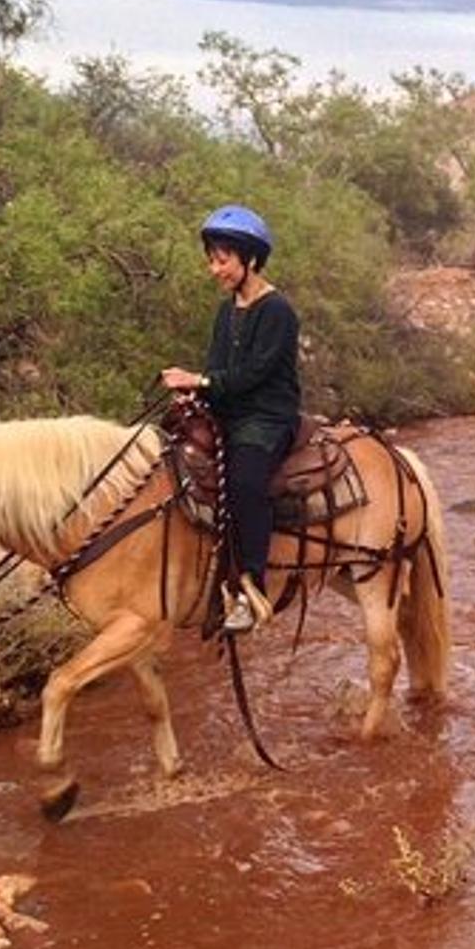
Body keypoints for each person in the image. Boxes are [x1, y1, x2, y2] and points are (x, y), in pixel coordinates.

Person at [160, 205, 301, 634]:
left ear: (250, 259)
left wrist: (200, 381)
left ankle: (250, 590)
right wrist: (194, 393)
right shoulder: (227, 311)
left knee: (243, 483)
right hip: (230, 410)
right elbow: (219, 367)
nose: (214, 268)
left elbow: (254, 374)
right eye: (212, 259)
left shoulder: (277, 311)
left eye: (223, 259)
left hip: (267, 416)